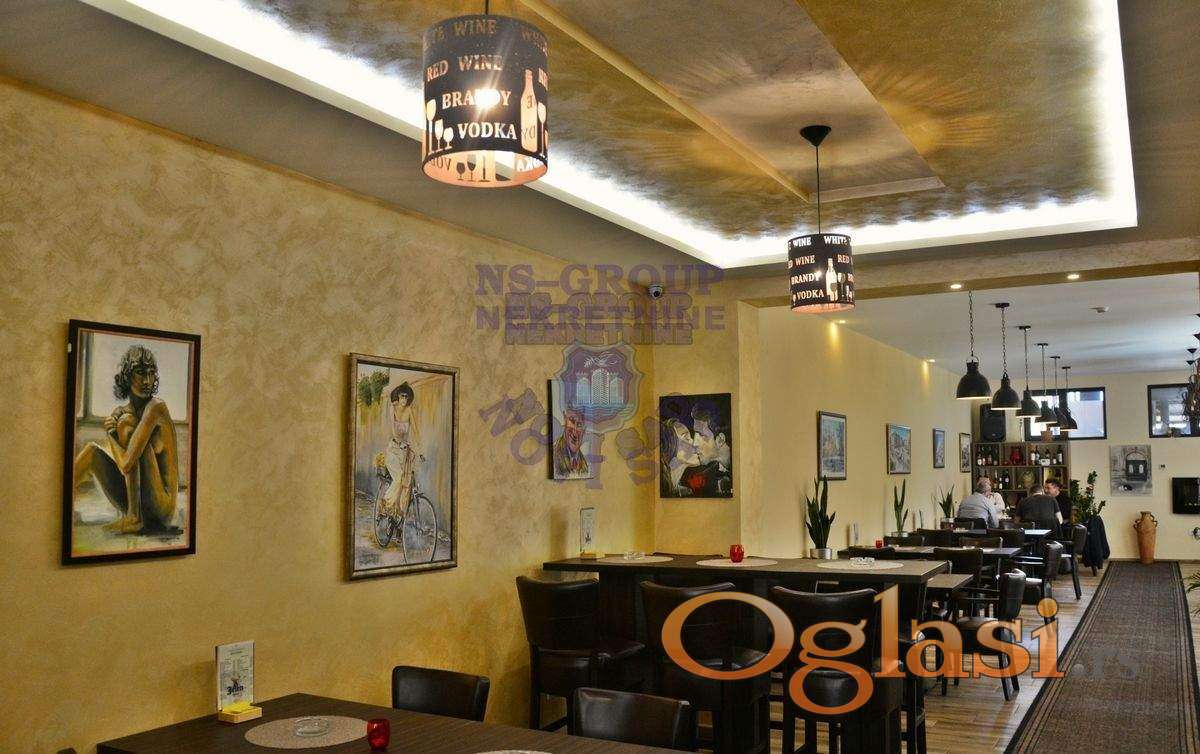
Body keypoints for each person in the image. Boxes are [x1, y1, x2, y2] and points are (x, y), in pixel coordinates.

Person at [72, 344, 181, 534]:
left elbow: (125, 464)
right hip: (142, 501)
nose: (147, 380)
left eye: (151, 373)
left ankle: (133, 518)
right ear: (127, 376)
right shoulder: (123, 411)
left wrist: (111, 434)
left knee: (126, 424)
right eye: (140, 373)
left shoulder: (156, 408)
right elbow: (126, 465)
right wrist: (114, 431)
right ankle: (59, 503)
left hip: (161, 509)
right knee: (91, 452)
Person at [383, 382, 420, 517]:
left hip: (404, 451)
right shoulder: (393, 408)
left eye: (406, 397)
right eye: (402, 396)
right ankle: (385, 502)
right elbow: (393, 429)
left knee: (406, 484)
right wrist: (399, 441)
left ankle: (398, 516)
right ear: (398, 397)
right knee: (398, 478)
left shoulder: (409, 410)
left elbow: (415, 430)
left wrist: (420, 450)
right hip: (393, 449)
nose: (404, 399)